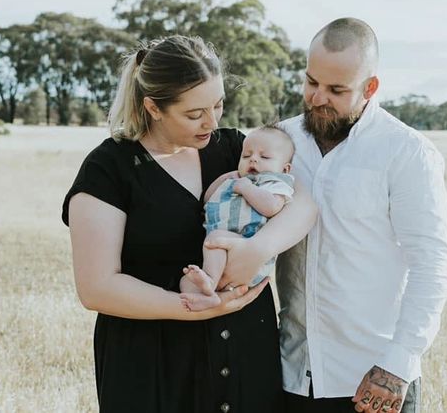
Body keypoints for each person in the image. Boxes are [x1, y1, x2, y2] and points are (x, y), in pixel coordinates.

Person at [61, 35, 316, 413]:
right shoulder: (109, 168)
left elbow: (303, 204)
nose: (212, 122)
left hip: (247, 356)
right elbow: (96, 288)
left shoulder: (234, 148)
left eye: (218, 105)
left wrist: (257, 250)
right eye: (195, 114)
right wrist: (193, 307)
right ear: (154, 107)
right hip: (153, 366)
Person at [276, 18, 447, 412]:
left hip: (373, 382)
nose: (317, 98)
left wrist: (399, 362)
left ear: (370, 88)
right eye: (311, 83)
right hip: (289, 376)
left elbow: (432, 265)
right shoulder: (280, 141)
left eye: (336, 90)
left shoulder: (407, 153)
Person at [180, 125, 297, 311]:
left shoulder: (275, 183)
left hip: (249, 248)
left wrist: (246, 188)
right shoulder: (236, 179)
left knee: (215, 240)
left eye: (264, 157)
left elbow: (271, 207)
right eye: (246, 156)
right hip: (221, 253)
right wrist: (227, 178)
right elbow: (209, 198)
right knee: (185, 283)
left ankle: (210, 283)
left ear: (285, 168)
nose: (254, 160)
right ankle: (208, 295)